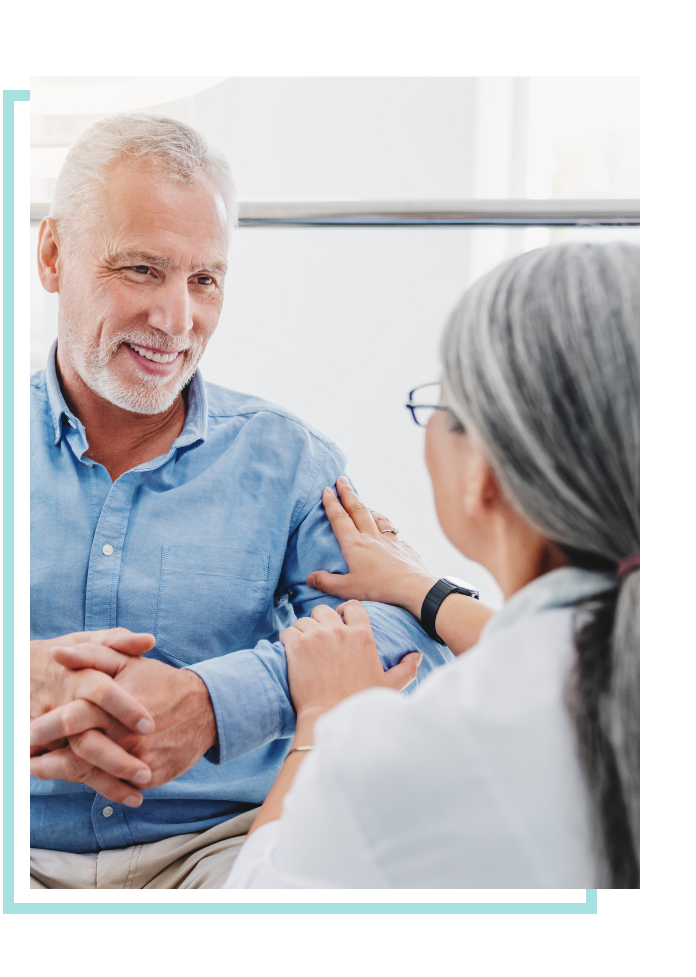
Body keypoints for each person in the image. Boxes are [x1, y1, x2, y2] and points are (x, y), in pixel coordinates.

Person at [28, 113, 486, 890]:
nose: (177, 321)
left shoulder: (286, 457)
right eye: (141, 269)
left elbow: (400, 630)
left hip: (223, 847)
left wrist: (215, 702)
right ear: (53, 255)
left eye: (203, 279)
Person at [223, 241, 641, 889]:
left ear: (483, 471)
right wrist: (423, 590)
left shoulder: (401, 757)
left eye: (440, 405)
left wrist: (324, 722)